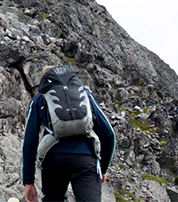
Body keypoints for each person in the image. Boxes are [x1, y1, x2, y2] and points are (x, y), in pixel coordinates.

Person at [21, 65, 115, 202]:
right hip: (85, 159)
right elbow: (108, 133)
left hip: (53, 160)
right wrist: (103, 168)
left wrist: (28, 181)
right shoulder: (84, 93)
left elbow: (30, 141)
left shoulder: (39, 98)